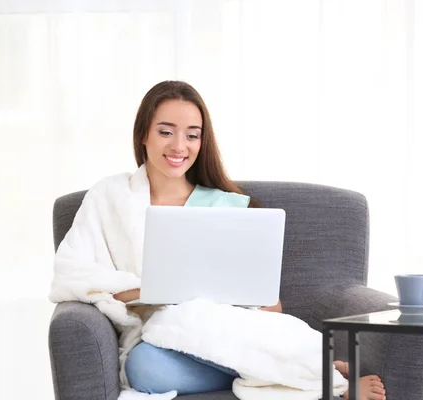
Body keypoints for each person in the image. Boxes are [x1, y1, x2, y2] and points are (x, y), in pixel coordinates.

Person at [50, 80, 386, 400]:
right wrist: (152, 293)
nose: (179, 146)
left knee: (204, 335)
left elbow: (270, 307)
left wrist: (261, 302)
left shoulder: (229, 206)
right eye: (166, 132)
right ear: (143, 135)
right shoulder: (111, 197)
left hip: (228, 329)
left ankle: (317, 376)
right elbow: (75, 274)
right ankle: (305, 373)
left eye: (191, 135)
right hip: (161, 336)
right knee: (143, 367)